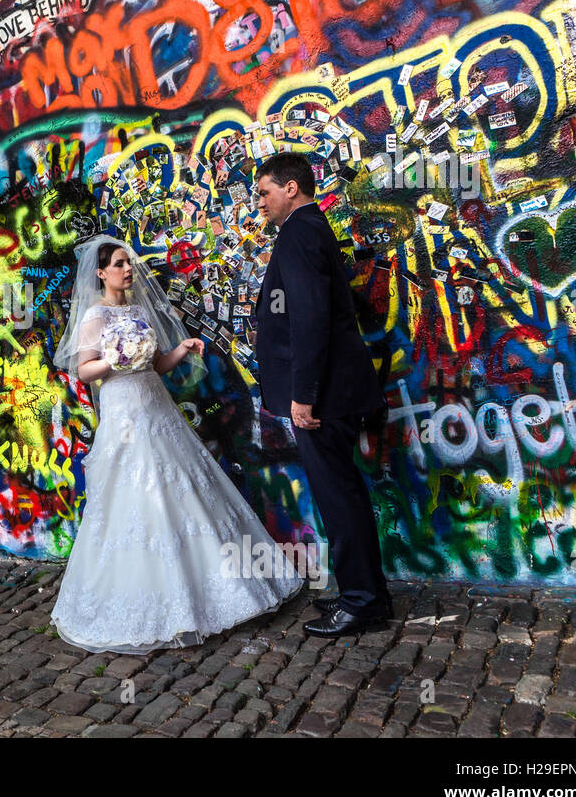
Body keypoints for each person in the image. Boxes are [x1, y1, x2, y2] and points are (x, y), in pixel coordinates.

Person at [49, 236, 303, 654]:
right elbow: (85, 370)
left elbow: (157, 365)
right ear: (100, 273)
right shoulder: (95, 315)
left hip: (155, 405)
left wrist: (181, 349)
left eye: (129, 263)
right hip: (125, 412)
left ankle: (220, 592)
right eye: (118, 265)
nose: (127, 270)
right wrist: (115, 358)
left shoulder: (137, 310)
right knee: (137, 494)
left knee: (184, 486)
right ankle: (158, 603)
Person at [253, 152, 392, 637]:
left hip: (324, 396)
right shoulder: (312, 229)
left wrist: (304, 394)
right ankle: (362, 591)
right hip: (334, 391)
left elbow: (311, 318)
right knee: (344, 494)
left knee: (339, 497)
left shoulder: (298, 232)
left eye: (265, 191)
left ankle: (363, 602)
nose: (260, 202)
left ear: (291, 188)